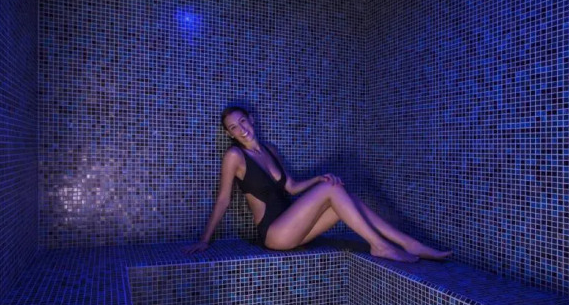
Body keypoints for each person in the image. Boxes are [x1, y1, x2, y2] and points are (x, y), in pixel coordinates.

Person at [182, 106, 453, 262]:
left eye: (242, 121)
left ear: (251, 119)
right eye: (233, 127)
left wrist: (317, 179)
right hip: (275, 234)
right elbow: (223, 199)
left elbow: (290, 187)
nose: (241, 129)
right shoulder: (234, 156)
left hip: (294, 228)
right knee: (331, 189)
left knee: (346, 197)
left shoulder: (270, 150)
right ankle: (379, 246)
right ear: (229, 133)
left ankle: (409, 243)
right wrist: (205, 240)